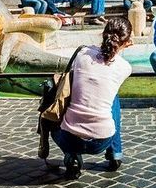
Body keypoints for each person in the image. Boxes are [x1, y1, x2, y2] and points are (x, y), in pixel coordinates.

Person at [53, 18, 133, 179]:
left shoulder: (82, 54)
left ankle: (72, 157)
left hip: (68, 137)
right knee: (112, 98)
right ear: (128, 42)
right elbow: (108, 61)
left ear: (102, 34)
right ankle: (115, 153)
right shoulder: (125, 68)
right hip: (101, 140)